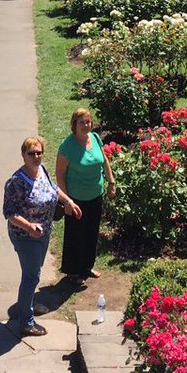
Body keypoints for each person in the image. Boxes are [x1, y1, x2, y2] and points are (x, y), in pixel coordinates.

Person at [3, 136, 82, 336]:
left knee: (34, 272)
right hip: (26, 237)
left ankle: (28, 303)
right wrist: (29, 226)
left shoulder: (41, 170)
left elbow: (54, 188)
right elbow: (10, 213)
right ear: (23, 155)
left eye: (39, 153)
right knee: (31, 276)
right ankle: (26, 321)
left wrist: (68, 202)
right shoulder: (16, 182)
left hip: (44, 232)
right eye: (31, 153)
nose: (36, 156)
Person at [57, 108, 116, 280]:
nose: (86, 125)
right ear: (74, 124)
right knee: (76, 235)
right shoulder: (67, 146)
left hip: (96, 195)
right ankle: (73, 271)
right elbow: (60, 175)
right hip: (76, 199)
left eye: (88, 121)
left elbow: (104, 161)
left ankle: (87, 267)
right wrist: (67, 201)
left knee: (91, 233)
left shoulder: (95, 138)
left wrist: (111, 181)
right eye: (81, 122)